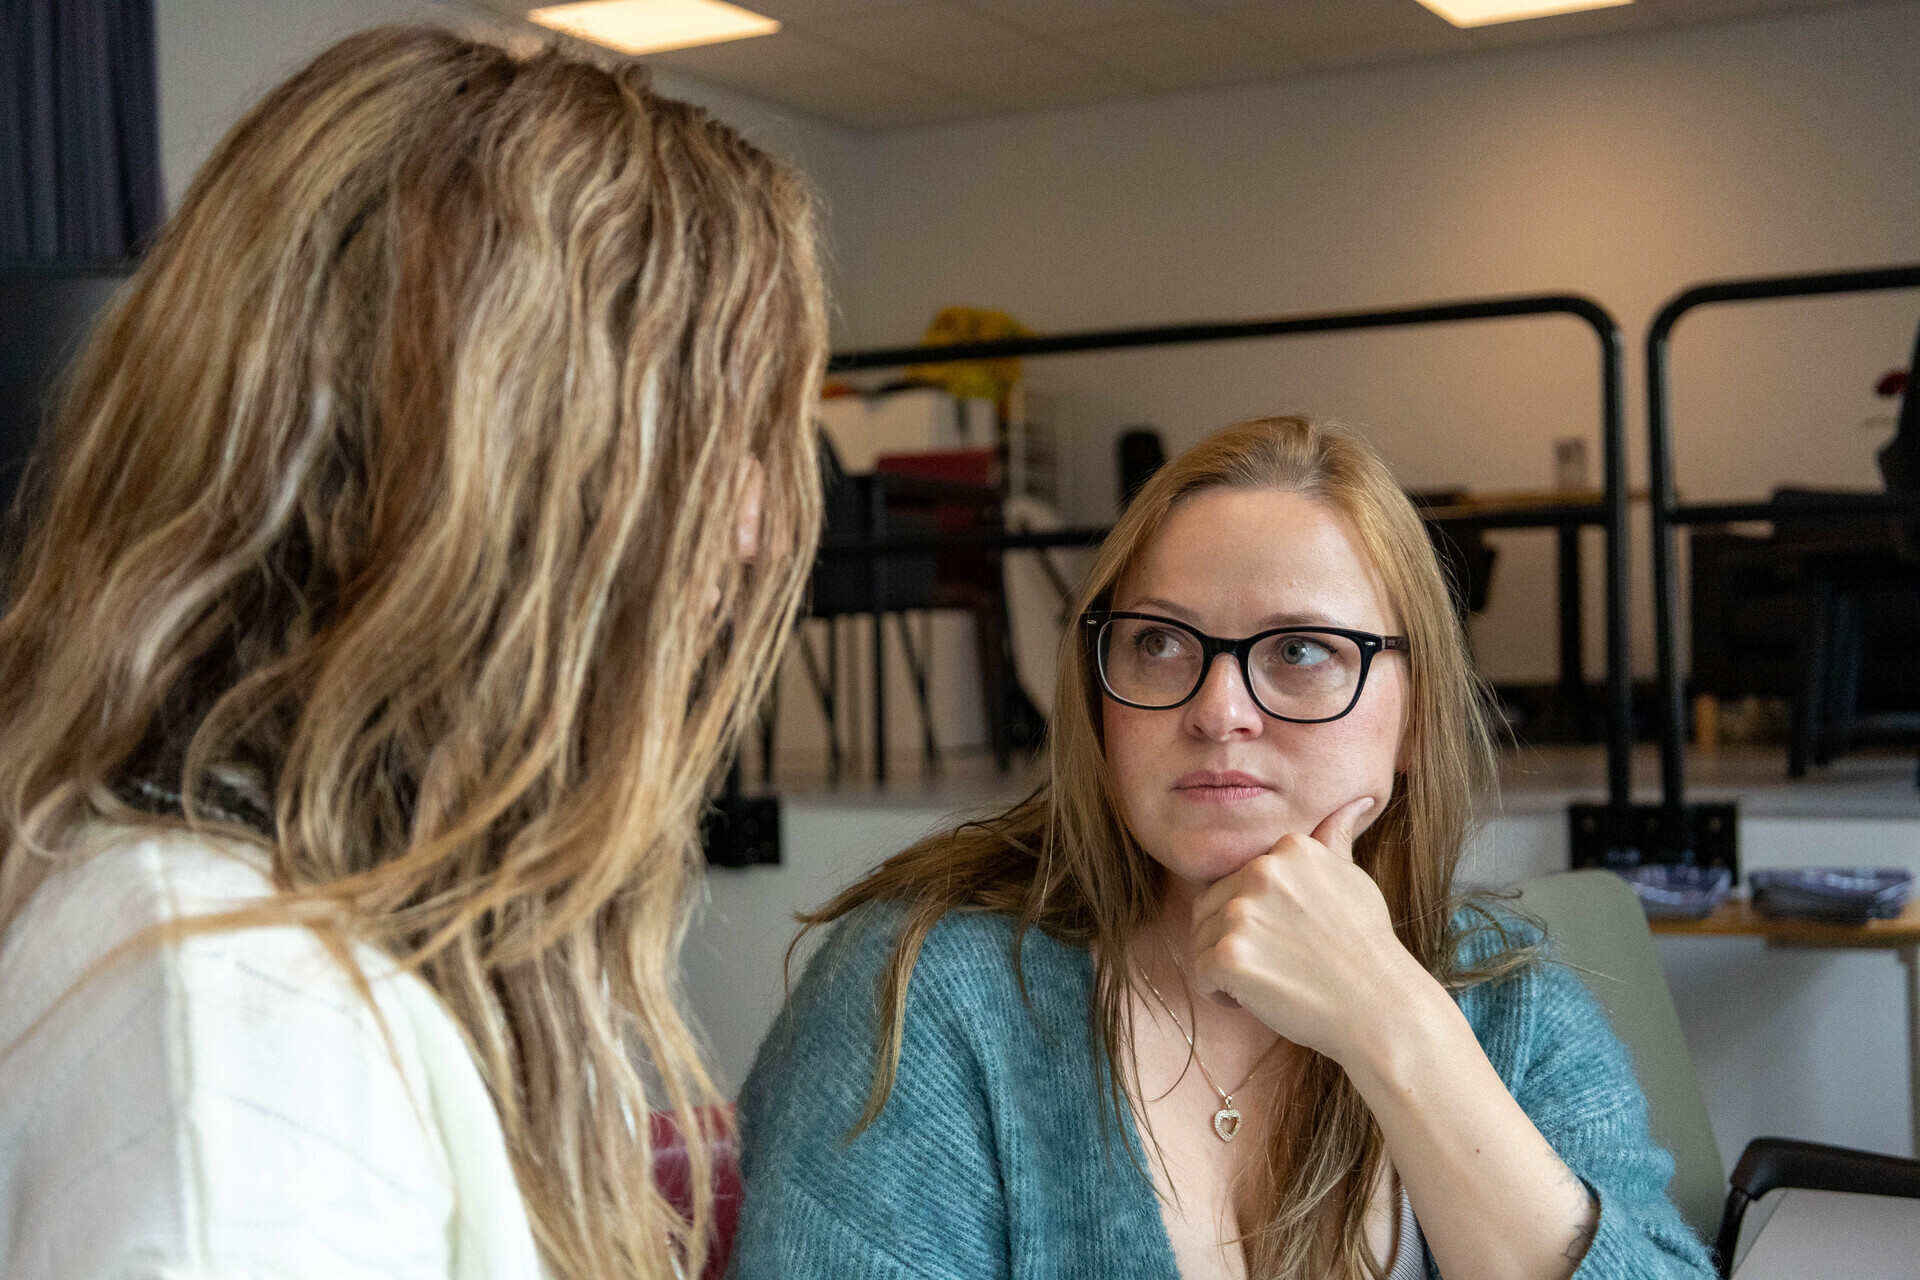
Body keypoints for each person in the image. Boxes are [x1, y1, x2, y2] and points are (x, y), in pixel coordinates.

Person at [0, 25, 824, 1280]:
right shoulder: (240, 1036)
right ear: (494, 480)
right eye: (723, 440)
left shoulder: (326, 940)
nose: (758, 525)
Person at [732, 417, 1716, 1280]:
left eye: (1300, 650)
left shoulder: (1509, 1004)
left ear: (1415, 718)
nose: (1218, 710)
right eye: (1159, 643)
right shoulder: (922, 996)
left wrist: (1396, 1025)